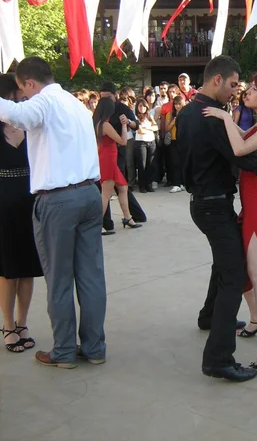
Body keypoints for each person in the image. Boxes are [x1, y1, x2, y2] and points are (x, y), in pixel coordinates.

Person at [0, 57, 107, 368]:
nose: (23, 97)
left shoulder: (43, 103)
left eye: (22, 90)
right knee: (91, 277)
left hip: (58, 200)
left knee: (59, 279)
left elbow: (17, 114)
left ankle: (63, 351)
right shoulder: (75, 103)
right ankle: (95, 347)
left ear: (30, 84)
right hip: (89, 193)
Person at [177, 56, 257, 382]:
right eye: (234, 84)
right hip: (214, 205)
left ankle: (209, 317)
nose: (237, 91)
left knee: (224, 262)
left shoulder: (187, 113)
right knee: (234, 275)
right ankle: (219, 358)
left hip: (203, 202)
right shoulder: (211, 118)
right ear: (216, 80)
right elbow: (242, 157)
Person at [203, 70, 257, 374]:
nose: (248, 92)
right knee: (242, 269)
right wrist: (229, 119)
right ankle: (254, 320)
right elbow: (242, 138)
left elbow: (238, 150)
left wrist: (225, 117)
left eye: (254, 88)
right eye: (248, 87)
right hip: (251, 205)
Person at [0, 74, 43, 353]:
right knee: (7, 270)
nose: (23, 96)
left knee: (28, 268)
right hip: (2, 201)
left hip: (30, 201)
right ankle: (6, 325)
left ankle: (22, 322)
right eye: (18, 92)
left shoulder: (31, 126)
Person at [99, 82, 146, 232]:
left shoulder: (121, 110)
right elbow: (123, 141)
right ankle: (99, 224)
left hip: (112, 154)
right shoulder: (103, 122)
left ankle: (128, 217)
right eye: (103, 99)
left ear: (115, 95)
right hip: (109, 155)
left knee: (123, 187)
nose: (105, 101)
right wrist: (124, 127)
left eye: (107, 98)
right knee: (106, 192)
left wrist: (129, 123)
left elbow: (136, 124)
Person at [134, 97, 158, 193]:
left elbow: (156, 127)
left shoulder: (149, 116)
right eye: (140, 106)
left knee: (150, 164)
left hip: (151, 141)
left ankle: (149, 184)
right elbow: (140, 131)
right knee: (142, 165)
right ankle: (142, 185)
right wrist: (149, 129)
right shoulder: (135, 117)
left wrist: (147, 128)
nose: (142, 108)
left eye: (143, 106)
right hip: (141, 142)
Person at [165, 95, 186, 193]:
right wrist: (174, 121)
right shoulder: (170, 114)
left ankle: (182, 183)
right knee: (175, 162)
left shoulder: (186, 113)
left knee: (183, 162)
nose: (177, 106)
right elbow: (166, 128)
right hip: (173, 140)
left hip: (183, 140)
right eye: (175, 104)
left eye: (179, 104)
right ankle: (176, 183)